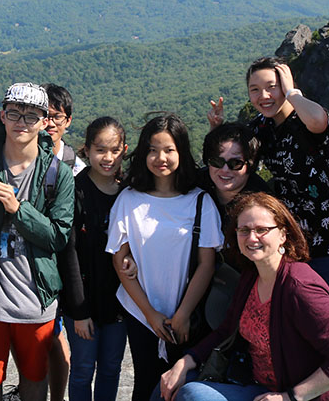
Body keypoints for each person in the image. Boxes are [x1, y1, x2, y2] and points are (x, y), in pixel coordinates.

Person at [158, 192, 329, 401]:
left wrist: (290, 396)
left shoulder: (300, 287)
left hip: (296, 396)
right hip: (257, 387)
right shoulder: (252, 275)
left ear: (283, 234)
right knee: (168, 385)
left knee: (193, 395)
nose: (252, 237)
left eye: (262, 230)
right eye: (244, 230)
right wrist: (186, 360)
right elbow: (227, 329)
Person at [0, 82, 75, 401]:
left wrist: (18, 209)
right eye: (14, 113)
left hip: (35, 302)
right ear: (2, 116)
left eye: (31, 116)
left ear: (43, 122)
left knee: (35, 381)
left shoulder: (57, 174)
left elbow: (58, 236)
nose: (21, 122)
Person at [209, 57, 329, 300]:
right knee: (291, 309)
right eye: (254, 90)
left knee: (319, 310)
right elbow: (234, 161)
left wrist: (292, 93)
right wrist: (217, 129)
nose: (263, 95)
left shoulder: (305, 118)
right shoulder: (261, 127)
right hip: (291, 238)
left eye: (271, 86)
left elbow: (320, 121)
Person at [106, 114, 223, 401]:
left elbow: (206, 264)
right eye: (152, 149)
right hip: (140, 312)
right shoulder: (129, 199)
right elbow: (119, 262)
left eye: (169, 150)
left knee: (180, 385)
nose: (161, 157)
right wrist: (149, 314)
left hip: (187, 313)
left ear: (181, 152)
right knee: (145, 382)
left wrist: (182, 314)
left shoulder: (200, 201)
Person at [63, 117, 129, 401]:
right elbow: (69, 255)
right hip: (83, 302)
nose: (108, 157)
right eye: (100, 149)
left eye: (114, 150)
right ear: (86, 150)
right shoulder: (75, 191)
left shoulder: (130, 191)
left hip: (120, 301)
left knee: (111, 369)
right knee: (82, 369)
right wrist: (79, 312)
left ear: (124, 149)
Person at [42, 83, 85, 401]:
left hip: (69, 269)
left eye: (56, 116)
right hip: (35, 267)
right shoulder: (23, 161)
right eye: (43, 115)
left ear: (68, 120)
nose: (49, 122)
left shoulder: (79, 169)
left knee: (59, 340)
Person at [197, 124, 268, 266]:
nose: (224, 170)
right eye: (217, 161)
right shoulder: (195, 186)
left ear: (250, 165)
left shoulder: (262, 205)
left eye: (235, 163)